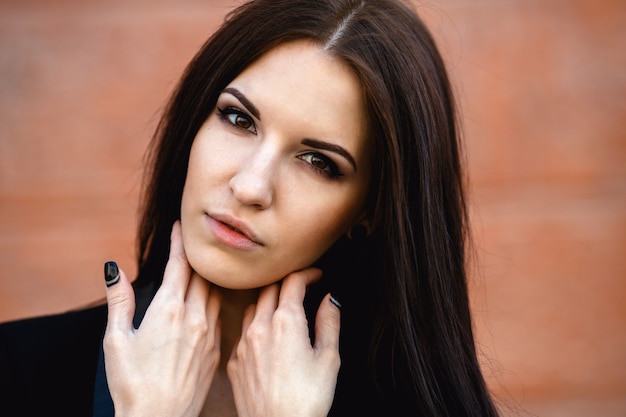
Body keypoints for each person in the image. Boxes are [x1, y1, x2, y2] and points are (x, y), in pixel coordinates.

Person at [0, 0, 502, 416]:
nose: (250, 185)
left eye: (317, 161)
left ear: (369, 210)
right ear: (194, 123)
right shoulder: (17, 372)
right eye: (238, 119)